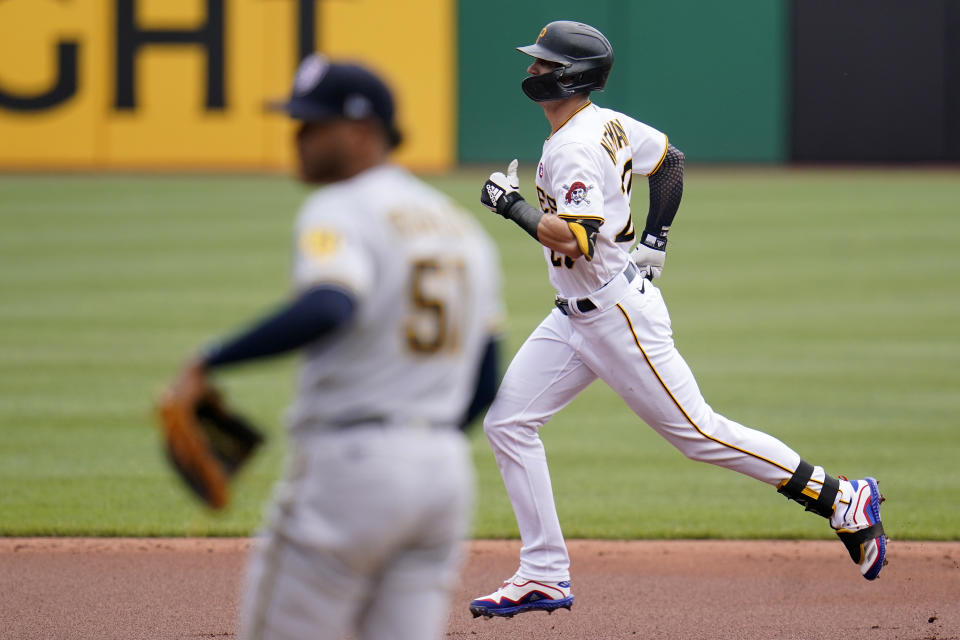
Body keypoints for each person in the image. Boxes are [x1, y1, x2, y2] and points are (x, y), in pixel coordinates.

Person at [469, 20, 886, 619]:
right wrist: (656, 238)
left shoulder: (576, 146)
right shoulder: (603, 122)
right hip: (573, 317)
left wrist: (509, 206)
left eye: (543, 63)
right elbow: (668, 160)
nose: (532, 70)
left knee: (699, 433)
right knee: (508, 423)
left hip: (616, 317)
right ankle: (543, 573)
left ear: (570, 76)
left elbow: (579, 239)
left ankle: (841, 496)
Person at [162, 53, 505, 639]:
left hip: (350, 473)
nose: (297, 137)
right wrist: (419, 446)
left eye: (312, 124)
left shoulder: (341, 207)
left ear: (362, 132)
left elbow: (329, 304)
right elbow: (485, 381)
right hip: (442, 478)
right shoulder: (459, 227)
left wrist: (210, 359)